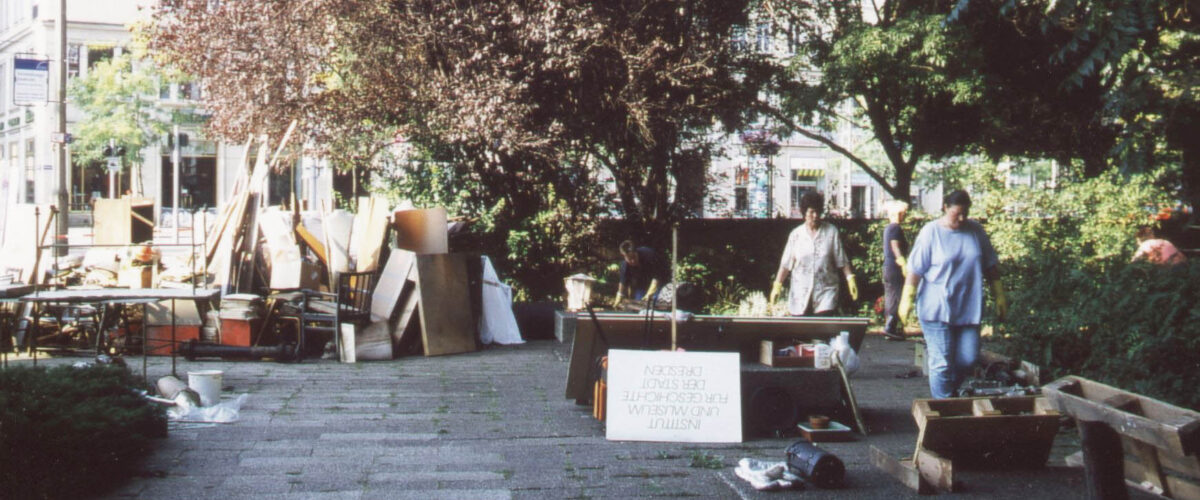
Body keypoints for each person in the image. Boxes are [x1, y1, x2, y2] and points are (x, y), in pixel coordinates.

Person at [899, 190, 1007, 399]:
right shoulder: (931, 232)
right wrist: (907, 299)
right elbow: (915, 270)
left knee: (968, 359)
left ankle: (948, 395)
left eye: (965, 213)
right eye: (956, 213)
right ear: (945, 208)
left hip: (968, 307)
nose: (962, 218)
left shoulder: (976, 231)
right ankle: (944, 408)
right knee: (941, 362)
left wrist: (999, 293)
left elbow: (990, 264)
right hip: (936, 307)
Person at [769, 191, 858, 316]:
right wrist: (777, 285)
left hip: (826, 293)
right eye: (811, 212)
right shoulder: (796, 235)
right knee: (801, 333)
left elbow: (842, 260)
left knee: (823, 331)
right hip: (800, 294)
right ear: (805, 213)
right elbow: (785, 264)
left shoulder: (831, 232)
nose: (815, 216)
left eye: (818, 212)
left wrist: (850, 279)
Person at [881, 200, 909, 341]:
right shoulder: (895, 228)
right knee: (897, 296)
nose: (904, 216)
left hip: (888, 266)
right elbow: (895, 246)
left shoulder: (888, 228)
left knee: (891, 295)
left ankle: (890, 326)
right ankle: (890, 327)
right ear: (898, 213)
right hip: (894, 267)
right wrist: (901, 261)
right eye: (903, 213)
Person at [612, 240, 669, 307]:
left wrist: (649, 294)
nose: (633, 261)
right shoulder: (624, 265)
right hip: (643, 281)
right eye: (629, 259)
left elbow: (657, 278)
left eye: (634, 257)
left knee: (654, 301)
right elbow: (622, 284)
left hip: (660, 278)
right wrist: (618, 298)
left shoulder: (649, 254)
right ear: (625, 257)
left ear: (636, 252)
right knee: (639, 302)